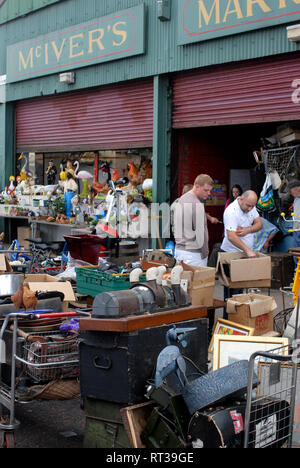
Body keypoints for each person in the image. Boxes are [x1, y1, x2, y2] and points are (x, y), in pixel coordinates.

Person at [220, 190, 263, 318]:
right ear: (241, 200)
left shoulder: (251, 208)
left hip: (243, 255)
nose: (250, 209)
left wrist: (248, 229)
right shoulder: (231, 211)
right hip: (230, 254)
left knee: (241, 291)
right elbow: (231, 236)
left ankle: (240, 320)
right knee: (231, 293)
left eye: (252, 206)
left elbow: (259, 224)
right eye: (248, 206)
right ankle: (228, 321)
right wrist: (248, 250)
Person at [174, 174, 220, 266]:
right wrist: (205, 253)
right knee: (196, 280)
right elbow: (201, 234)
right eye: (206, 190)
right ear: (197, 186)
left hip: (180, 251)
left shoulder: (182, 199)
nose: (209, 193)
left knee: (183, 279)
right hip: (193, 254)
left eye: (210, 190)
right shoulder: (196, 205)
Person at [288, 180, 300, 263]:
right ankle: (297, 272)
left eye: (291, 191)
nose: (290, 193)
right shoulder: (296, 199)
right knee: (296, 253)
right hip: (296, 230)